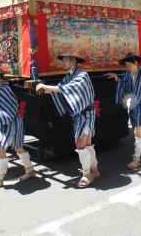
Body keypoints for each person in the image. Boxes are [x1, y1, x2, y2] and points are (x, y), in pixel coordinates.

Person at [36, 53, 98, 188]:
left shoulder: (82, 75)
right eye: (62, 60)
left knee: (81, 144)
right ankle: (94, 170)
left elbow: (65, 89)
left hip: (86, 113)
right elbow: (59, 89)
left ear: (73, 61)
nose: (62, 63)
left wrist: (46, 87)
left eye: (65, 61)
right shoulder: (69, 76)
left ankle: (87, 174)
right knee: (85, 143)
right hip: (80, 115)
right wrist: (42, 88)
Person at [0, 62, 35, 190]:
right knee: (18, 147)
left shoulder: (3, 88)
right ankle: (30, 170)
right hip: (14, 121)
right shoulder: (0, 86)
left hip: (11, 122)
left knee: (1, 149)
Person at [111, 53, 141, 171]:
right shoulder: (127, 75)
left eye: (129, 65)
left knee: (138, 133)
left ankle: (136, 159)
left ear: (136, 63)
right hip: (133, 108)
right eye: (126, 65)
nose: (127, 67)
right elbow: (124, 84)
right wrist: (117, 78)